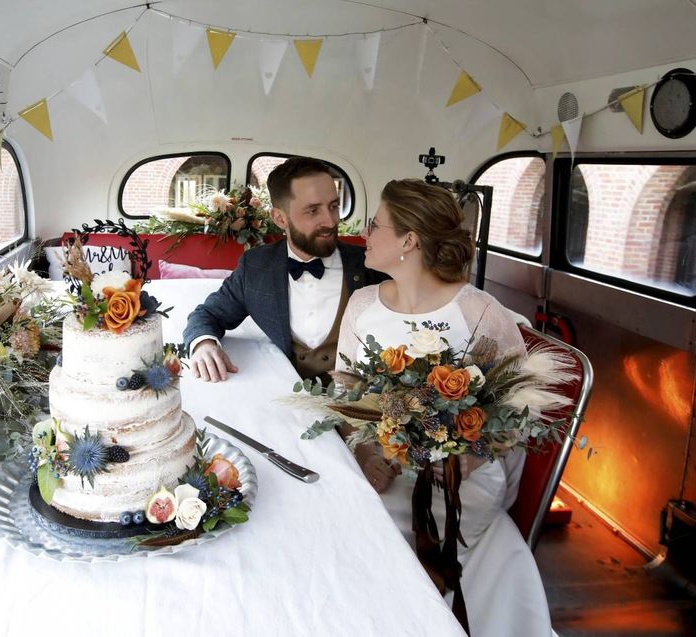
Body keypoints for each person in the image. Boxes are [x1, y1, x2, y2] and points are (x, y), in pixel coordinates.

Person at [336, 178, 553, 637]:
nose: (365, 234)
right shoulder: (361, 306)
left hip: (459, 479)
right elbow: (346, 395)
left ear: (408, 241)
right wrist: (367, 454)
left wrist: (472, 455)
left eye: (375, 225)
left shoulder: (480, 314)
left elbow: (516, 411)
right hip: (385, 467)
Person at [183, 157, 380, 385]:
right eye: (313, 210)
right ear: (279, 218)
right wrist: (203, 344)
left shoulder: (368, 265)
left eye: (334, 206)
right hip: (287, 397)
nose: (330, 220)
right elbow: (208, 314)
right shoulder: (256, 267)